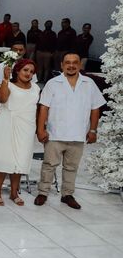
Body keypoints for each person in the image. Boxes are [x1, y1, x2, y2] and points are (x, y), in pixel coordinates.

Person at [35, 52, 105, 209]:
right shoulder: (53, 83)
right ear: (62, 65)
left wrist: (93, 130)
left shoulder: (89, 83)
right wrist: (41, 129)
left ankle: (67, 194)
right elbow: (44, 107)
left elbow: (95, 108)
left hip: (78, 134)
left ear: (80, 65)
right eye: (67, 62)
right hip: (55, 133)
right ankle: (43, 192)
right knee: (49, 165)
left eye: (75, 62)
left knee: (72, 167)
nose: (71, 65)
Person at [0, 59, 40, 206]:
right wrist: (4, 79)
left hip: (26, 126)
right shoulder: (8, 84)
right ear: (17, 70)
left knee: (20, 159)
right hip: (7, 124)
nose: (28, 74)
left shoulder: (35, 88)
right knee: (4, 157)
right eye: (25, 70)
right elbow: (2, 99)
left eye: (31, 71)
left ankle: (14, 192)